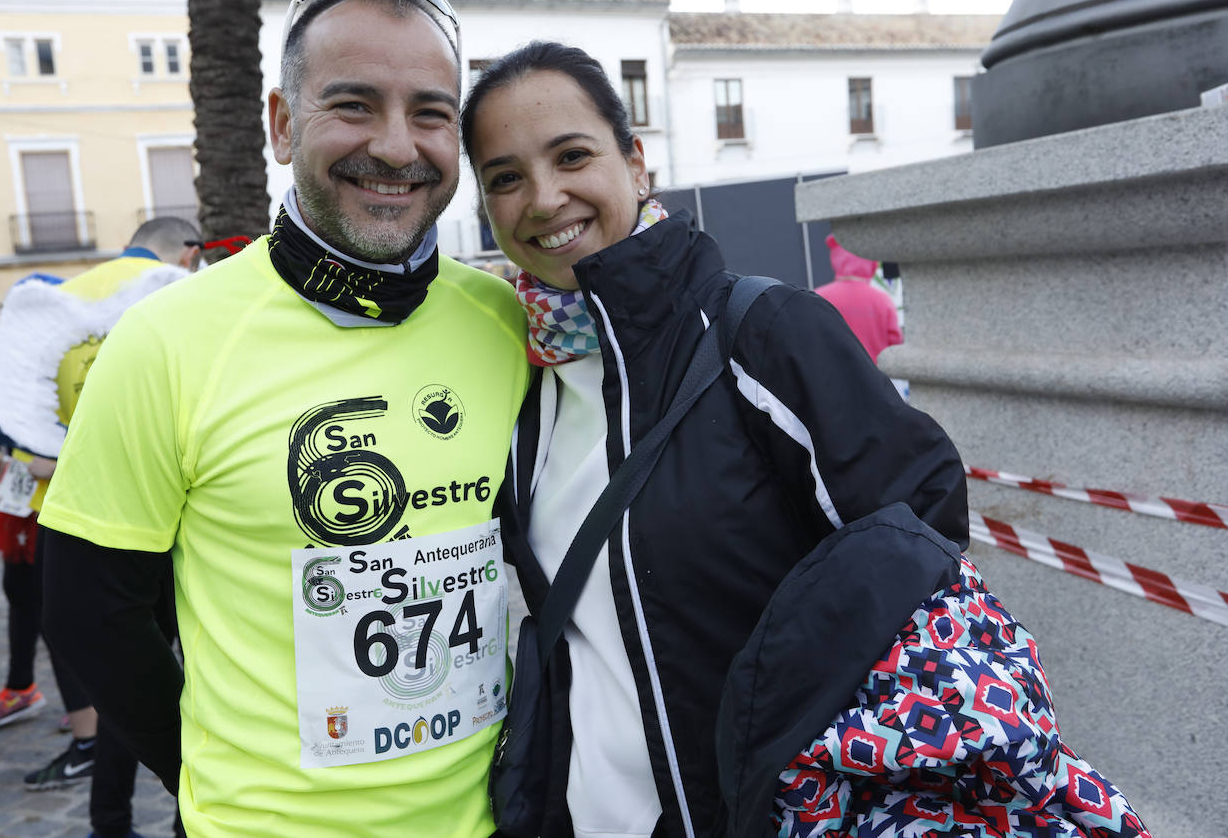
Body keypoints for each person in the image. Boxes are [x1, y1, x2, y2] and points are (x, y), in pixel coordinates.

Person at [461, 42, 1148, 838]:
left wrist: (810, 765)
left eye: (571, 155)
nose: (544, 198)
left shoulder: (764, 335)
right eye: (505, 177)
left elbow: (916, 550)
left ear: (637, 163)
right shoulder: (526, 390)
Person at [37, 0, 530, 838]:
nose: (394, 145)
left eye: (429, 113)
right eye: (352, 105)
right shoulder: (166, 341)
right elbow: (89, 614)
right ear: (279, 123)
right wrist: (215, 780)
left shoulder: (501, 320)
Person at [0, 219, 199, 838]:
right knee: (196, 664)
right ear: (189, 254)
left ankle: (110, 820)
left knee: (118, 678)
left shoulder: (54, 302)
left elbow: (10, 418)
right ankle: (195, 803)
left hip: (71, 514)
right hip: (169, 517)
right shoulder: (179, 296)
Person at [813, 234, 902, 363]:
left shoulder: (818, 297)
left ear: (836, 259)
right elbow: (895, 344)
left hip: (832, 376)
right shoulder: (883, 300)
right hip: (875, 377)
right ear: (871, 262)